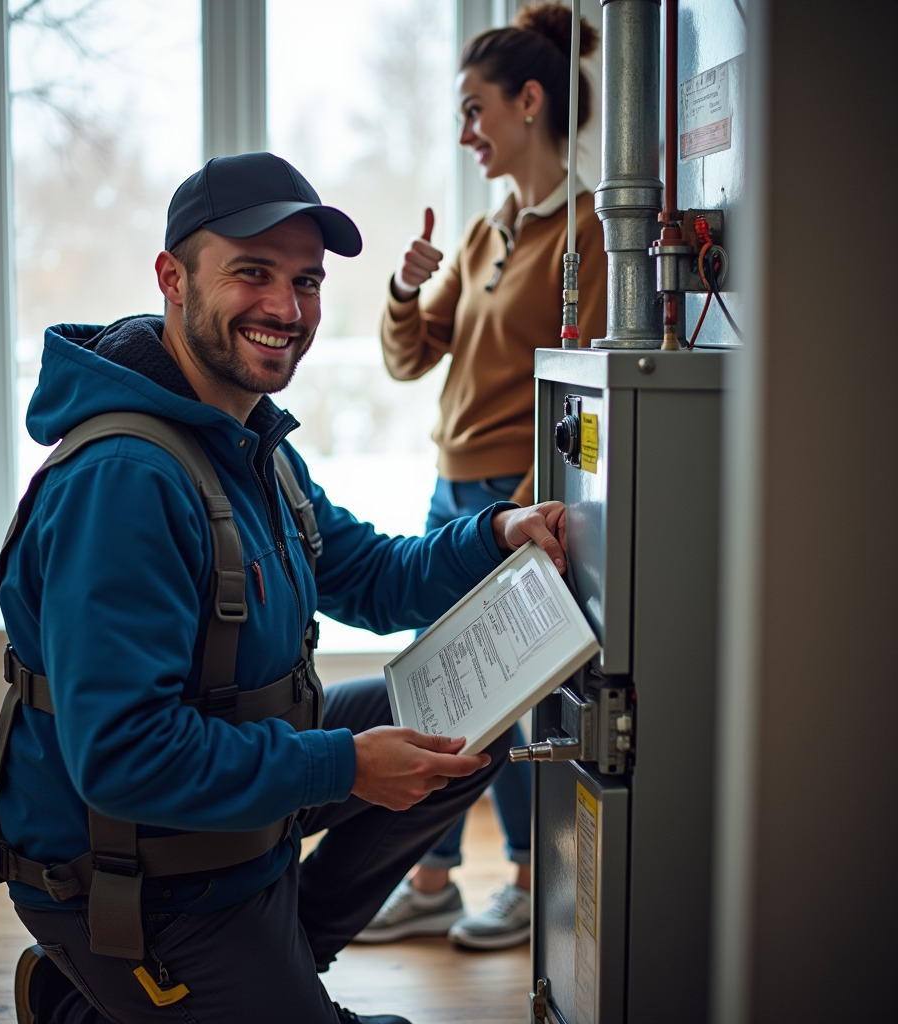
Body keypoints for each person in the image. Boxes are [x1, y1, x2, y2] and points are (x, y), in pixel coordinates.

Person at [0, 151, 570, 1023]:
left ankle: (275, 954)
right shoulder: (126, 482)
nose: (287, 310)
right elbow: (125, 758)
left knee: (452, 735)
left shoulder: (248, 442)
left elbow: (369, 575)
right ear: (172, 279)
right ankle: (91, 992)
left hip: (219, 831)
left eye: (307, 281)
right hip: (140, 876)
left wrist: (496, 534)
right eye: (251, 273)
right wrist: (345, 765)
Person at [358, 2, 606, 951]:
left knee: (501, 702)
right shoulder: (484, 232)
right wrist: (405, 287)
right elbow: (412, 357)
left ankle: (522, 878)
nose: (465, 132)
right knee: (443, 698)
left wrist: (520, 506)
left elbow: (578, 385)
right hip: (449, 491)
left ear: (529, 102)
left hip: (512, 497)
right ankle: (432, 877)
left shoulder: (585, 230)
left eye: (476, 111)